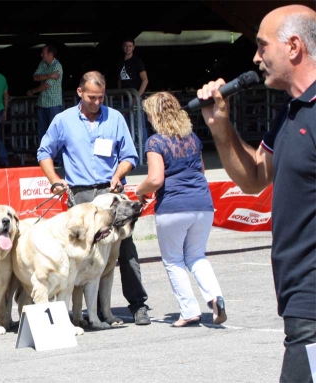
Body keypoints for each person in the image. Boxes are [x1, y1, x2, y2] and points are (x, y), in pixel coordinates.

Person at [196, 5, 315, 382]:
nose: (255, 57)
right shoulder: (291, 111)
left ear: (293, 46)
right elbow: (253, 178)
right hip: (297, 296)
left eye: (262, 46)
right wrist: (219, 126)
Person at [37, 71, 151, 325]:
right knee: (80, 254)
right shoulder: (63, 120)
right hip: (81, 196)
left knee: (124, 250)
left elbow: (130, 156)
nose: (97, 102)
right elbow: (44, 152)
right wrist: (54, 180)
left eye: (100, 97)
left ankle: (138, 305)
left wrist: (119, 173)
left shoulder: (116, 119)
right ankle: (81, 313)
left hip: (111, 195)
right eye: (91, 97)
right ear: (80, 93)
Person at [135, 92, 226, 328]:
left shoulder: (155, 142)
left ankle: (189, 311)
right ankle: (215, 298)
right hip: (203, 204)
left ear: (154, 115)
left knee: (173, 260)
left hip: (174, 206)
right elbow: (202, 171)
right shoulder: (193, 138)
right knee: (197, 256)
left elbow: (155, 179)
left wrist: (139, 190)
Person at [26, 44, 64, 148]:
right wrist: (50, 75)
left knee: (54, 132)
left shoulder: (57, 66)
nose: (41, 54)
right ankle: (45, 156)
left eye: (44, 53)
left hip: (53, 103)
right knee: (43, 132)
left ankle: (57, 159)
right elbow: (35, 77)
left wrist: (33, 91)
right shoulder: (43, 63)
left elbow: (46, 85)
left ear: (50, 54)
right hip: (43, 102)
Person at [118, 37, 150, 149]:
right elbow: (120, 79)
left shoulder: (137, 61)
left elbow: (145, 79)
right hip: (124, 98)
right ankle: (131, 149)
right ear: (123, 47)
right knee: (126, 124)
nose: (128, 48)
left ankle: (144, 149)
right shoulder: (120, 61)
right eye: (126, 46)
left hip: (135, 97)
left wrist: (138, 96)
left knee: (139, 124)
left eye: (130, 46)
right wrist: (119, 94)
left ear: (133, 47)